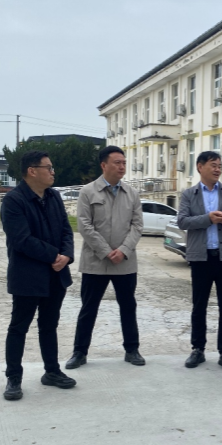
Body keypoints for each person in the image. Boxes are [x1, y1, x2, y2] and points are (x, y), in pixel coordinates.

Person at [0, 150, 77, 400]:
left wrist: (66, 255)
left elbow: (66, 229)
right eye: (49, 168)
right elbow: (21, 239)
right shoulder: (13, 200)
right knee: (19, 327)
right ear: (32, 171)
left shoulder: (54, 196)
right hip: (27, 276)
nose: (53, 172)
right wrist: (55, 255)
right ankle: (13, 377)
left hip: (56, 274)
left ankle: (52, 371)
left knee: (49, 325)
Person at [66, 146, 145, 370]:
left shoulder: (132, 194)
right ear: (104, 165)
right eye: (117, 162)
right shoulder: (88, 192)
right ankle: (79, 352)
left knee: (128, 306)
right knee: (88, 308)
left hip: (125, 262)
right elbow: (84, 225)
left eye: (124, 163)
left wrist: (123, 250)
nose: (122, 166)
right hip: (95, 262)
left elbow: (137, 226)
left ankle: (132, 349)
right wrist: (105, 251)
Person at [177, 151, 222, 372]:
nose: (217, 169)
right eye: (213, 165)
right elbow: (182, 221)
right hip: (201, 258)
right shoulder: (189, 194)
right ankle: (197, 349)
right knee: (199, 306)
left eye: (219, 166)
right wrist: (207, 219)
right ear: (200, 167)